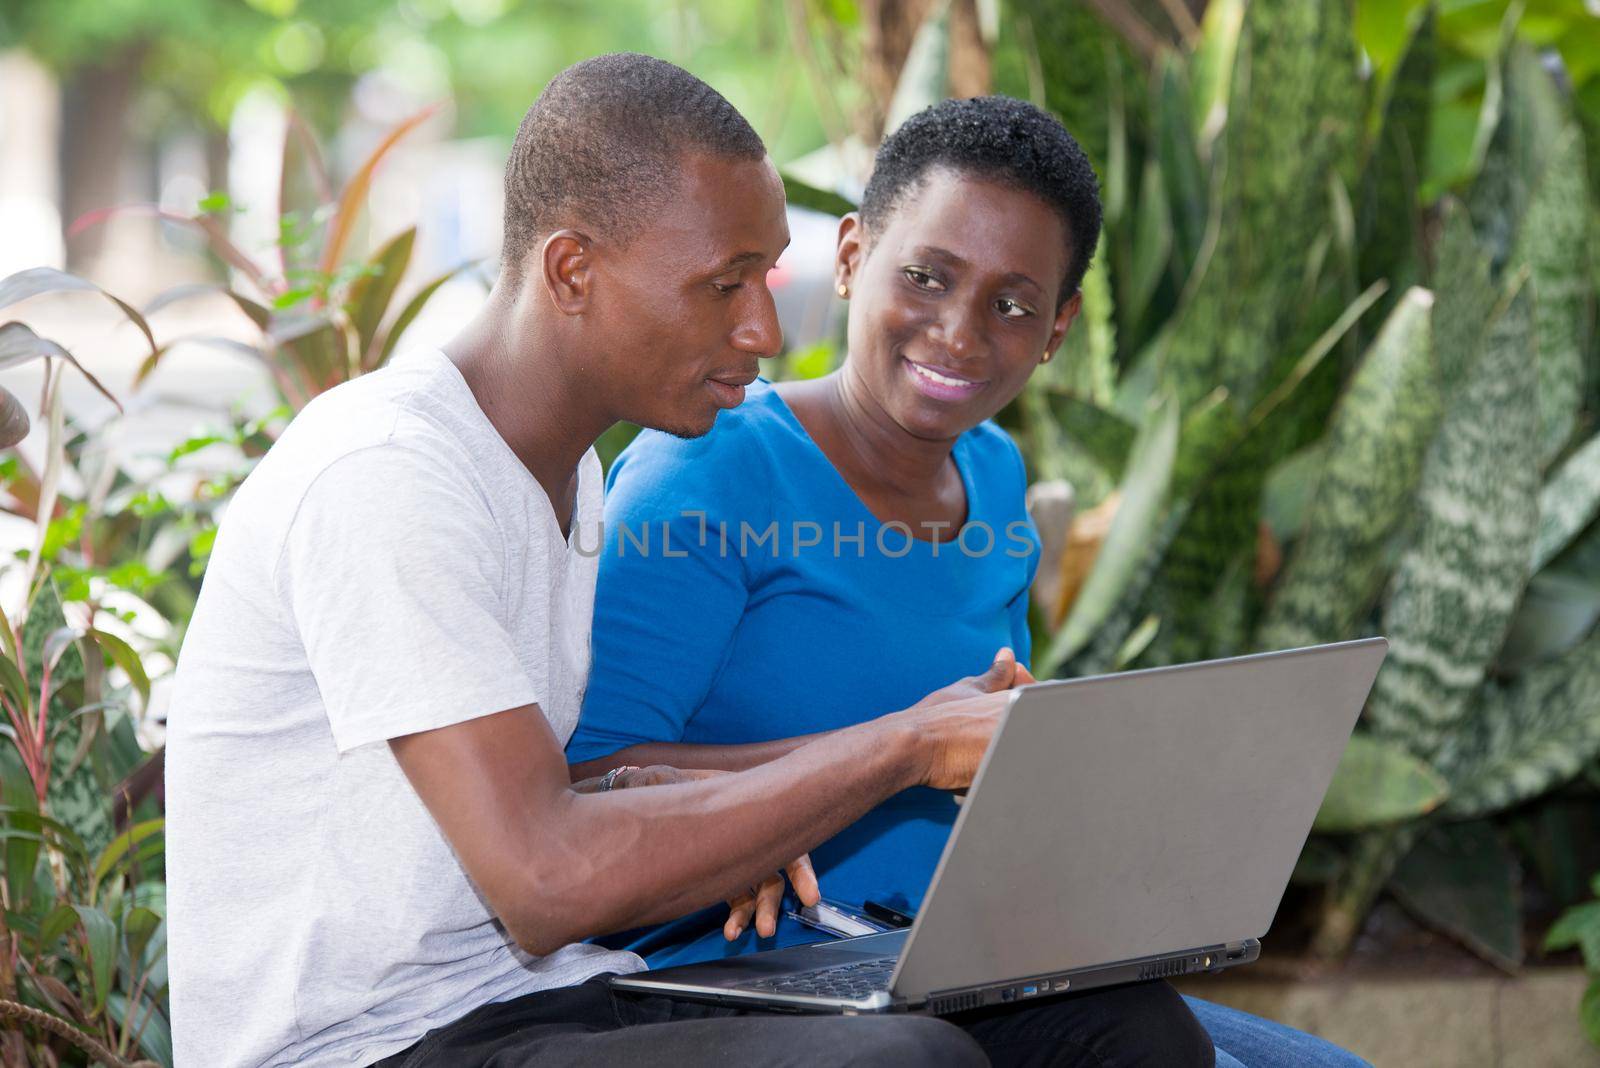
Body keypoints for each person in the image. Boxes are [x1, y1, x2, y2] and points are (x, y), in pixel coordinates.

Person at [164, 56, 1212, 1067]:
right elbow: (542, 877)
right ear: (572, 270)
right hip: (371, 1043)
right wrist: (904, 746)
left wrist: (721, 799)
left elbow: (573, 784)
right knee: (898, 1060)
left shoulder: (562, 474)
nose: (762, 328)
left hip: (549, 995)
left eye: (763, 276)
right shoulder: (390, 474)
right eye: (723, 285)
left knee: (1125, 1031)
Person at [568, 96, 1369, 1068]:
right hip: (741, 971)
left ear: (1059, 326)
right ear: (855, 256)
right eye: (926, 276)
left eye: (1013, 303)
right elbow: (589, 782)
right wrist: (896, 751)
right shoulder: (705, 474)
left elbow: (978, 761)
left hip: (961, 962)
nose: (957, 332)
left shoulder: (991, 474)